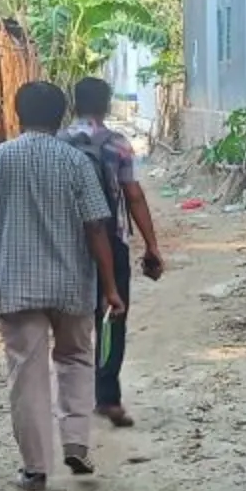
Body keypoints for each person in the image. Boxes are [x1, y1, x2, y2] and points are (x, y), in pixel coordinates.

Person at [0, 79, 124, 491]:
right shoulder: (76, 163)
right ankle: (76, 442)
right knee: (76, 360)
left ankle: (35, 470)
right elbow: (96, 228)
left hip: (18, 285)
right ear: (59, 117)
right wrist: (110, 287)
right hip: (73, 284)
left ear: (18, 114)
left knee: (27, 374)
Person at [60, 76, 166, 426]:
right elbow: (132, 194)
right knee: (112, 315)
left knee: (74, 319)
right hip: (112, 239)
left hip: (68, 243)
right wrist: (151, 246)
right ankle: (107, 395)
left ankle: (73, 395)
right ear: (106, 105)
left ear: (74, 103)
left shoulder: (59, 142)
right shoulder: (117, 143)